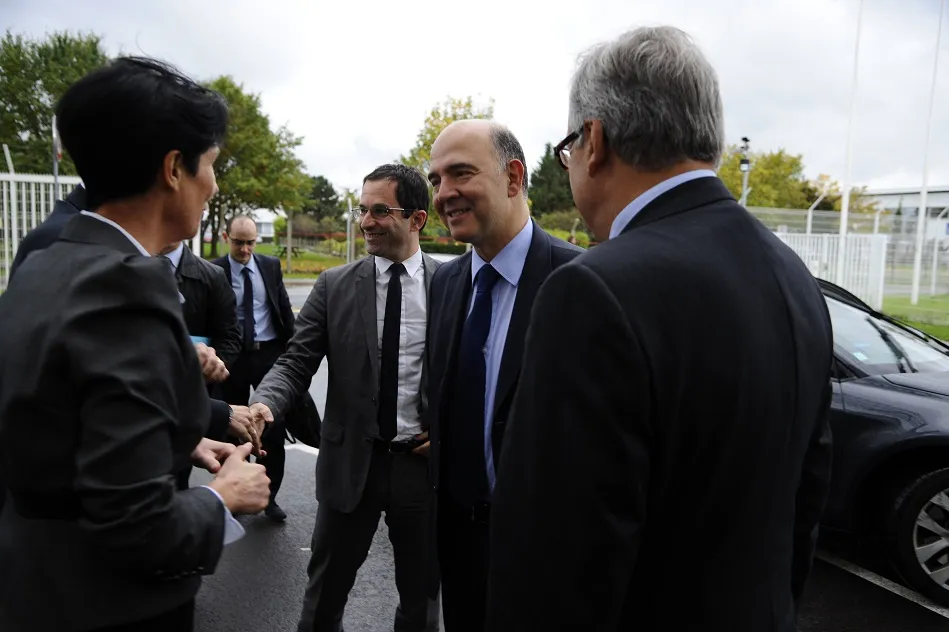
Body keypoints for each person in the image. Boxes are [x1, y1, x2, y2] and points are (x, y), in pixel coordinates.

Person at [485, 26, 834, 631]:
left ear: (594, 141)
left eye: (567, 151)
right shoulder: (793, 275)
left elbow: (552, 563)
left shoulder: (593, 290)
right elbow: (802, 504)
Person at [0, 57, 271, 632]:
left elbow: (66, 417)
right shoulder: (127, 287)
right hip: (107, 606)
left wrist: (182, 440)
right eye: (211, 166)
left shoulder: (47, 260)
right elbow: (137, 529)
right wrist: (223, 498)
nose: (214, 186)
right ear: (174, 168)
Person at [249, 164, 441, 632]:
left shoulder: (452, 284)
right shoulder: (334, 286)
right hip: (350, 464)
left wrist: (451, 430)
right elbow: (296, 362)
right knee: (324, 597)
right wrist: (266, 402)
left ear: (417, 219)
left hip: (422, 469)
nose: (367, 222)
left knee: (422, 603)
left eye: (380, 211)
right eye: (362, 210)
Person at [424, 120, 583, 632]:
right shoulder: (447, 283)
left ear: (514, 178)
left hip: (546, 556)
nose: (445, 194)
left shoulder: (580, 283)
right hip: (458, 544)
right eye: (435, 180)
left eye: (461, 173)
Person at [213, 215, 296, 521]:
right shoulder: (214, 271)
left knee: (271, 428)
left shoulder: (270, 266)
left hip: (268, 356)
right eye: (239, 243)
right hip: (232, 361)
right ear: (226, 237)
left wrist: (296, 351)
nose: (245, 249)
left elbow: (284, 310)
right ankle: (237, 494)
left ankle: (269, 498)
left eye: (250, 243)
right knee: (234, 428)